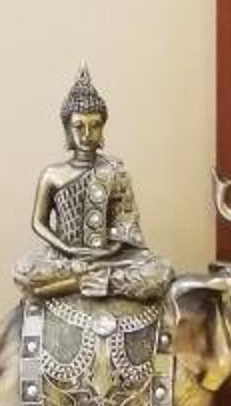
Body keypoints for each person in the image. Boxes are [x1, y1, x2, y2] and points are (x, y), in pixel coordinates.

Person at [13, 67, 171, 308]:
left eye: (94, 126)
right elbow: (38, 222)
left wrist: (106, 253)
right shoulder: (52, 174)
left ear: (103, 128)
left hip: (109, 259)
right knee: (24, 271)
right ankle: (87, 281)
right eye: (79, 126)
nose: (87, 134)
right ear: (67, 129)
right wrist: (67, 248)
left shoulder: (115, 170)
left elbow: (126, 226)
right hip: (65, 259)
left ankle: (90, 282)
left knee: (160, 272)